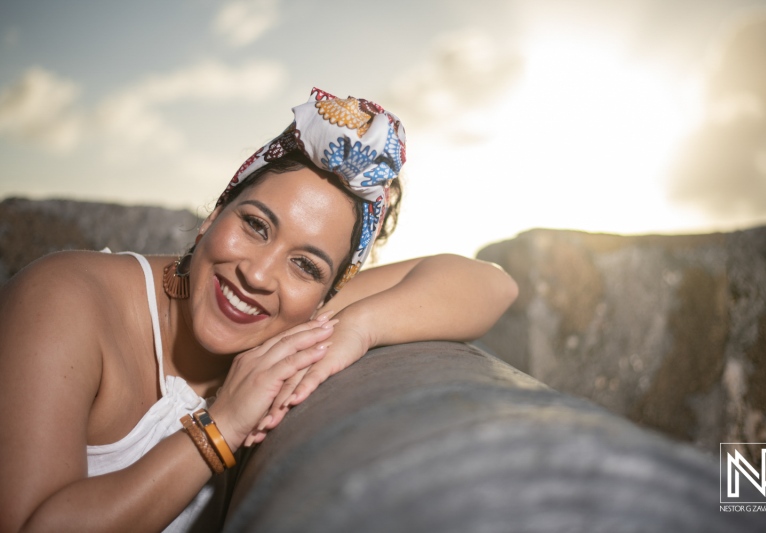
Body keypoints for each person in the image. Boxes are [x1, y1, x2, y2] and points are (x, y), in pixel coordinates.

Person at [0, 88, 518, 532]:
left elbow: (491, 284)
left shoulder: (297, 315)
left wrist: (358, 329)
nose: (259, 274)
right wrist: (219, 430)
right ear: (215, 213)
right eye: (255, 225)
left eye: (306, 266)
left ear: (326, 295)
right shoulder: (65, 297)